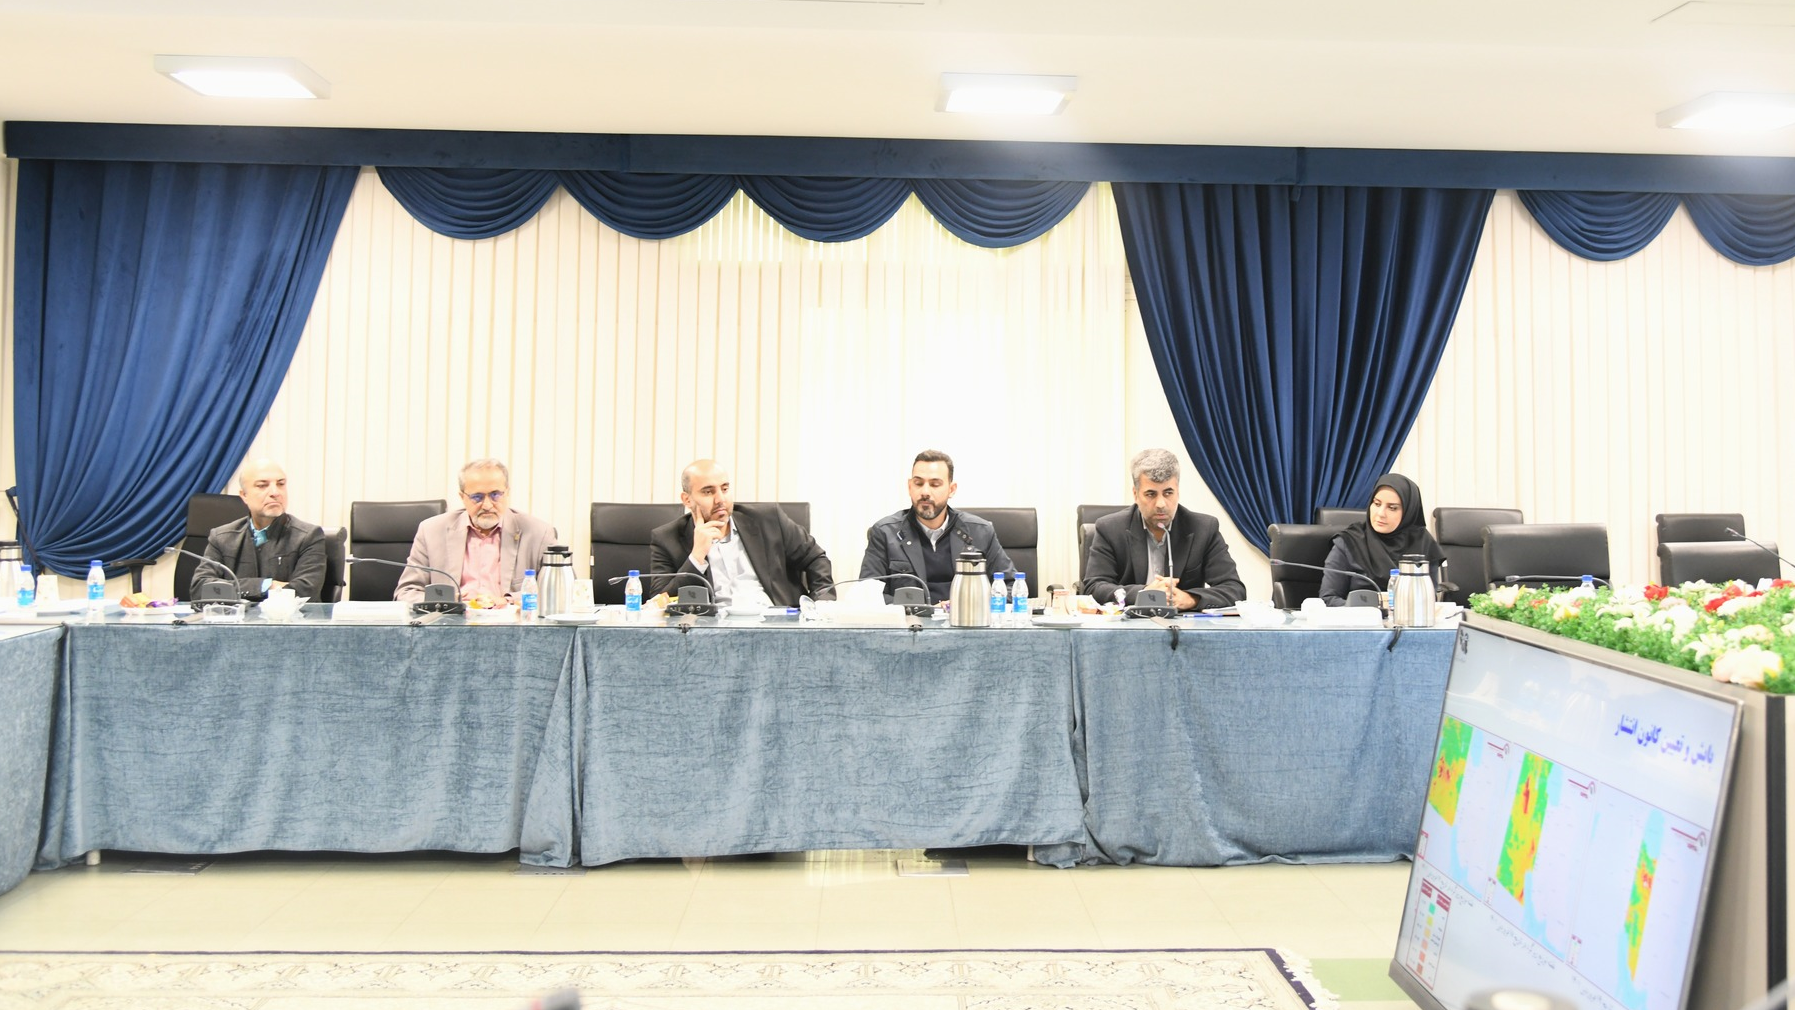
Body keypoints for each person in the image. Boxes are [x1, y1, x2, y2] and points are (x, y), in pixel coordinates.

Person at [649, 459, 833, 608]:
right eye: (708, 492)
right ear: (687, 499)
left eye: (725, 489)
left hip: (775, 624)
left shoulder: (768, 519)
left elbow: (815, 558)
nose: (720, 499)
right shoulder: (667, 538)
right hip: (712, 632)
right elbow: (657, 602)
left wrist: (821, 606)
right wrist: (696, 557)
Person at [1082, 448, 1246, 612]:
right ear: (1135, 494)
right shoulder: (1110, 529)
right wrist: (1145, 594)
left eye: (1168, 493)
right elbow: (1093, 588)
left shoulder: (1204, 529)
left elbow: (1234, 590)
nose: (1161, 504)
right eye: (1151, 494)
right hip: (1129, 623)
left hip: (1183, 625)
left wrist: (1191, 599)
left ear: (1177, 492)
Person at [395, 458, 558, 604]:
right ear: (462, 497)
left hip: (511, 623)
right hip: (451, 622)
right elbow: (406, 592)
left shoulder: (539, 533)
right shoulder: (432, 531)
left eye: (495, 495)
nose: (487, 505)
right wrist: (447, 602)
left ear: (507, 493)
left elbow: (556, 593)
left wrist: (508, 601)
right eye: (477, 497)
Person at [859, 450, 1013, 603]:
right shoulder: (885, 533)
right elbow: (868, 595)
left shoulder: (980, 531)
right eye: (918, 483)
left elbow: (1011, 587)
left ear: (951, 490)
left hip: (965, 616)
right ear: (910, 487)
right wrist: (923, 609)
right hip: (912, 618)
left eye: (935, 484)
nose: (925, 492)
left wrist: (967, 604)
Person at [192, 458, 328, 603]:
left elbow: (305, 592)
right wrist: (266, 586)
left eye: (281, 484)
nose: (275, 492)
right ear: (244, 495)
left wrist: (232, 589)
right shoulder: (221, 537)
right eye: (262, 485)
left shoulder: (309, 536)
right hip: (235, 617)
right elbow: (200, 589)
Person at [1319, 473, 1450, 606]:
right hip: (1360, 618)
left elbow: (1429, 600)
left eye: (1392, 508)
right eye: (1377, 504)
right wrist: (1369, 612)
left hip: (1411, 617)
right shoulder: (1349, 541)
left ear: (1408, 512)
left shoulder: (1423, 543)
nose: (1380, 513)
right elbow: (1328, 598)